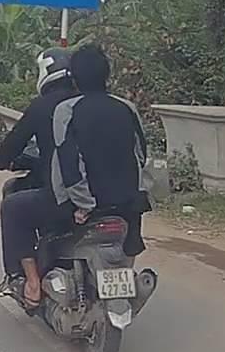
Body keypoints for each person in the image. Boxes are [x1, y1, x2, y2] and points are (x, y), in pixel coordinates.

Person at [0, 48, 80, 308]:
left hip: (64, 194)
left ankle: (26, 280)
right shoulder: (89, 101)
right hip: (106, 195)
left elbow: (15, 141)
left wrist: (2, 160)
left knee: (13, 205)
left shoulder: (43, 105)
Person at [50, 44, 150, 257]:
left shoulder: (66, 110)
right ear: (107, 75)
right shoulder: (127, 108)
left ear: (74, 78)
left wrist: (85, 205)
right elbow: (141, 155)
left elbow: (69, 164)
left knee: (41, 229)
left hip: (86, 207)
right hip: (128, 206)